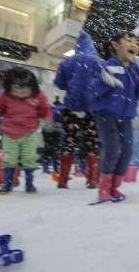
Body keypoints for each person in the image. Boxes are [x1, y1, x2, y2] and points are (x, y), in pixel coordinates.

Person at [90, 32, 139, 203]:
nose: (133, 44)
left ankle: (114, 187)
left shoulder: (135, 69)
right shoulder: (107, 66)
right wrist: (103, 80)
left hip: (126, 116)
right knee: (113, 149)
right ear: (116, 46)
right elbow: (94, 90)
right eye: (128, 40)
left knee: (127, 151)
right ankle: (103, 189)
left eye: (136, 42)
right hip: (106, 115)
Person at [0, 66, 52, 194]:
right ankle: (7, 183)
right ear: (9, 86)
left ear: (32, 86)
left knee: (29, 158)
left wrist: (48, 120)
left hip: (30, 133)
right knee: (9, 158)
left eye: (26, 88)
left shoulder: (38, 96)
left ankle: (29, 183)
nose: (22, 91)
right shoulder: (4, 96)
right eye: (17, 88)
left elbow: (44, 110)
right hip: (9, 133)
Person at [53, 31, 103, 189]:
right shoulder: (98, 62)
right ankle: (92, 180)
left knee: (69, 142)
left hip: (71, 107)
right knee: (92, 144)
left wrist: (71, 86)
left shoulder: (67, 62)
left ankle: (63, 179)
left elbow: (59, 83)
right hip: (91, 109)